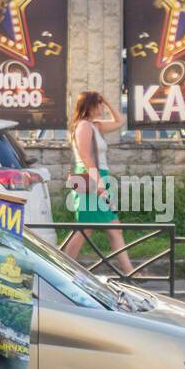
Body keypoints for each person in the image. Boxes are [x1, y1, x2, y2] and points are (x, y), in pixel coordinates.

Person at [61, 90, 134, 274]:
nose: (102, 107)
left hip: (100, 177)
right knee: (85, 229)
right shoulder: (84, 126)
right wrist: (99, 183)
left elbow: (120, 122)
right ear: (91, 105)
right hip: (91, 179)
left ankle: (130, 272)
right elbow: (86, 156)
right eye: (99, 104)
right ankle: (62, 269)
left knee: (114, 229)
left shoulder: (95, 126)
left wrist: (108, 100)